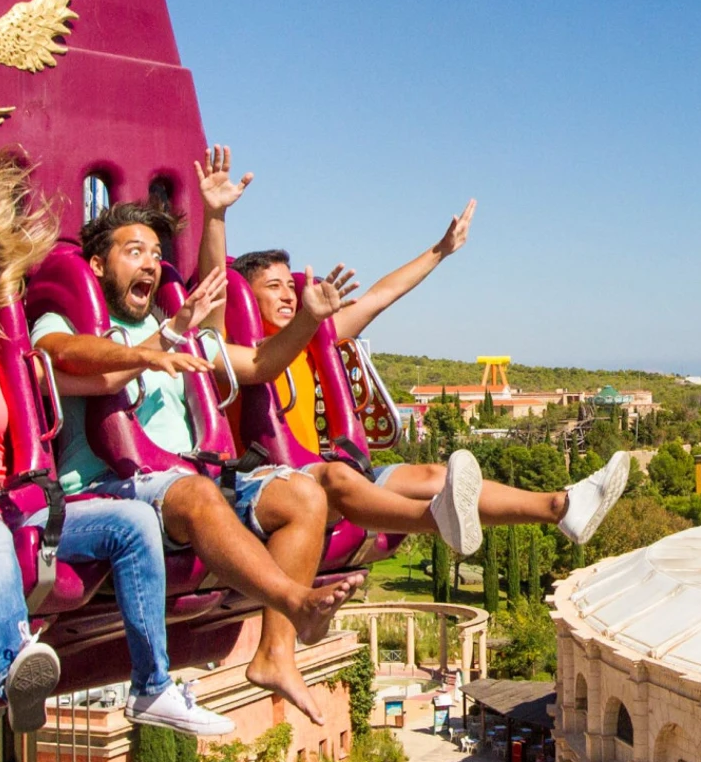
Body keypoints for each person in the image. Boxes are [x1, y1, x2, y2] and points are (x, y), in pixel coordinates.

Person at [0, 151, 294, 737]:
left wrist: (174, 323)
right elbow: (77, 358)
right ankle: (14, 666)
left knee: (136, 522)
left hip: (21, 503)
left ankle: (153, 685)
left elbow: (201, 333)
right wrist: (153, 348)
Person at [27, 154, 367, 727]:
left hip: (189, 480)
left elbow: (259, 363)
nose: (150, 263)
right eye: (134, 251)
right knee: (194, 493)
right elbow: (67, 359)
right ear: (98, 264)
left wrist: (307, 321)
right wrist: (155, 346)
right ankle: (295, 600)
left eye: (155, 254)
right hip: (111, 487)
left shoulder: (175, 325)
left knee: (303, 496)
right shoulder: (65, 320)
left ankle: (275, 654)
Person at [217, 188, 633, 556]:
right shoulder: (231, 348)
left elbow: (380, 295)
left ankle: (561, 506)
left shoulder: (312, 337)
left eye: (290, 286)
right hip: (276, 485)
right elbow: (215, 285)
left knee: (435, 475)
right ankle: (436, 518)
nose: (288, 296)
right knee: (339, 476)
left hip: (322, 472)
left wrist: (441, 250)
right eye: (273, 287)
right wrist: (215, 214)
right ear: (245, 299)